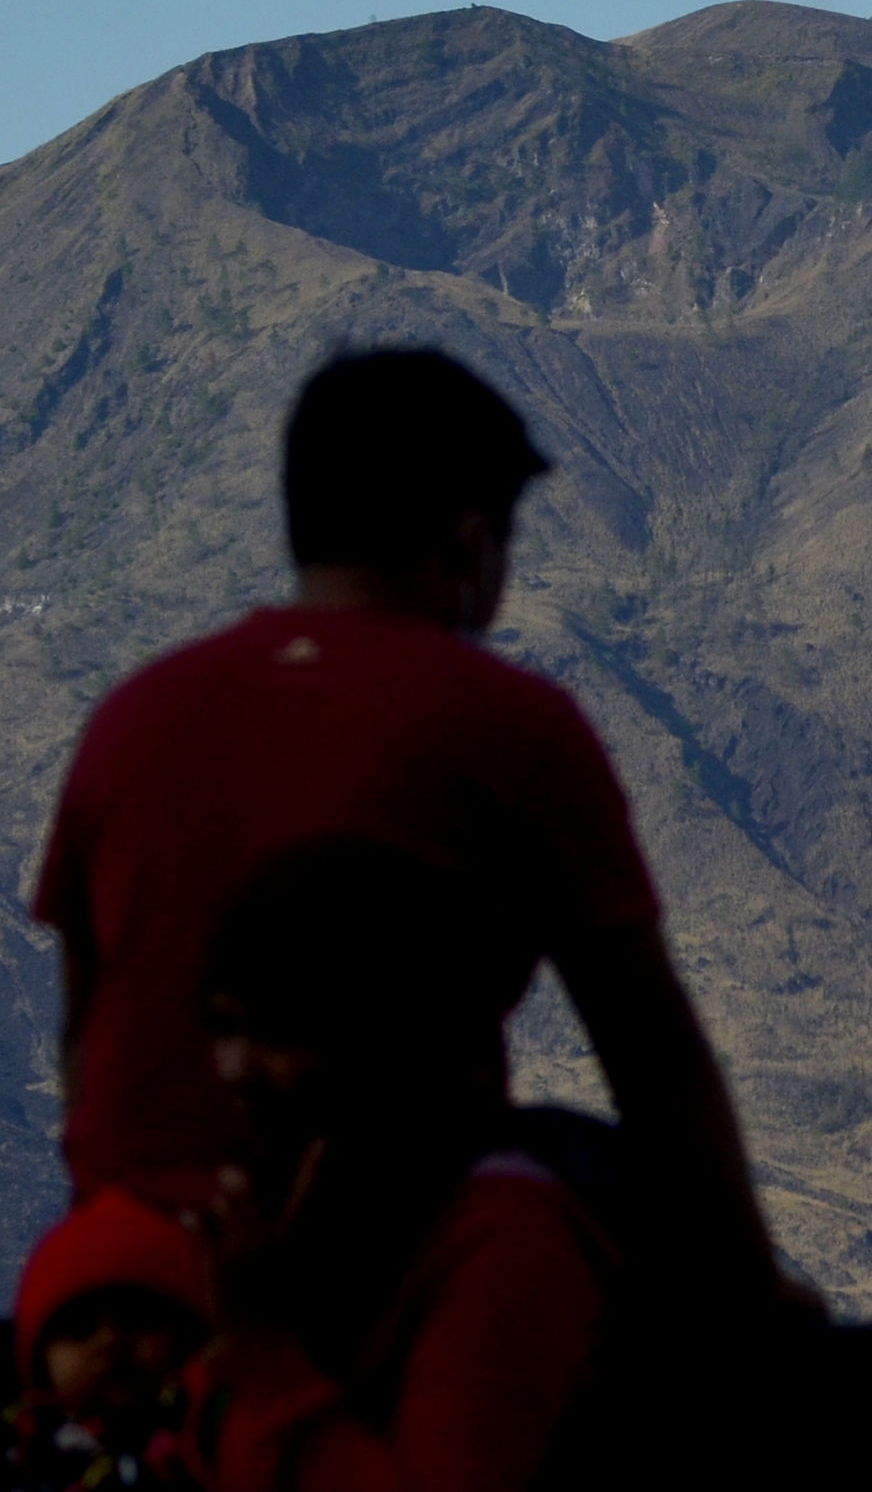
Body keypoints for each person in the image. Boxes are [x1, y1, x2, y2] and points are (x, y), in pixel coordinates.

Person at [28, 348, 787, 1309]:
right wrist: (750, 1284)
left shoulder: (130, 718)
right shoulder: (509, 726)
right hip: (379, 1278)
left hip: (122, 1286)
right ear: (469, 547)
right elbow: (651, 1053)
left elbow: (84, 1035)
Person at [184, 842, 609, 1492]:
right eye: (224, 1027)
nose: (236, 1067)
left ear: (379, 1037)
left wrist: (264, 1352)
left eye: (281, 1030)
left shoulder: (504, 1243)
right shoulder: (321, 1214)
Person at [4, 1190, 211, 1492]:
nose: (109, 1342)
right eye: (78, 1328)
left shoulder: (216, 1440)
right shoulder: (18, 1451)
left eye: (139, 1319)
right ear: (39, 1361)